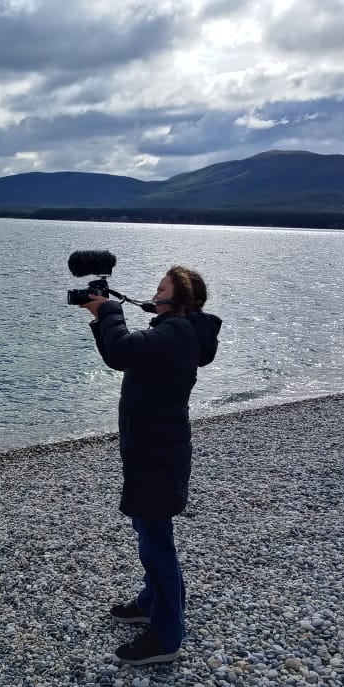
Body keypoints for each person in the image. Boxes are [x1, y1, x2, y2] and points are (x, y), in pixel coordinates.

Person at [81, 265, 221, 665]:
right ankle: (149, 602)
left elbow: (124, 349)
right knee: (149, 528)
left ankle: (167, 635)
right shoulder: (176, 334)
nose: (154, 294)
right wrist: (101, 314)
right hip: (155, 448)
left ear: (177, 301)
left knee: (155, 540)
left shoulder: (174, 333)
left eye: (161, 289)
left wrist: (108, 311)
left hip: (158, 453)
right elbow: (120, 354)